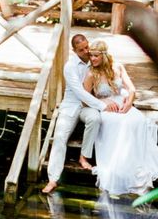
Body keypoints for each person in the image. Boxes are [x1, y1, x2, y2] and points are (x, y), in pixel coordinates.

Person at [83, 40, 158, 195]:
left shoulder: (118, 67)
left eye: (96, 56)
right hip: (105, 108)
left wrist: (129, 102)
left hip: (122, 103)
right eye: (90, 56)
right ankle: (119, 166)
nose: (92, 59)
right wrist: (102, 102)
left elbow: (131, 89)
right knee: (119, 122)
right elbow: (84, 98)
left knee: (137, 119)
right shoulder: (91, 73)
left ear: (104, 55)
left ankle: (135, 164)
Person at [42, 34, 119, 194]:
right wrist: (103, 105)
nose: (86, 51)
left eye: (86, 47)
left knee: (95, 119)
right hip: (72, 105)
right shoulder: (70, 66)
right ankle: (53, 179)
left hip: (87, 106)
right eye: (81, 50)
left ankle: (84, 156)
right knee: (59, 137)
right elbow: (79, 92)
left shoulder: (94, 58)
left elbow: (108, 71)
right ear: (74, 50)